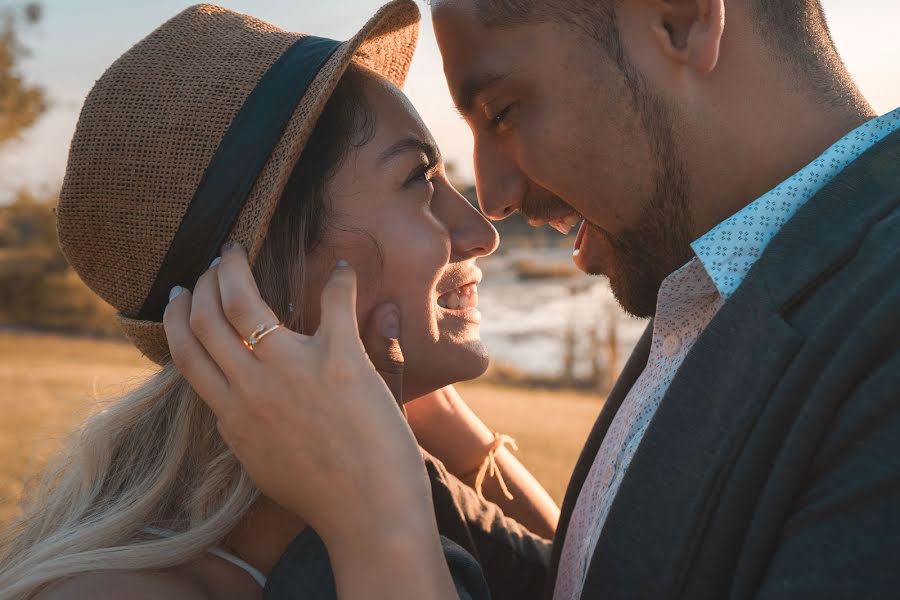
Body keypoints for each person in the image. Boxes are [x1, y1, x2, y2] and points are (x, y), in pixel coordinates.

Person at [168, 0, 900, 599]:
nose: (494, 197)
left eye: (505, 110)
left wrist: (375, 526)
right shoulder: (712, 284)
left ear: (680, 19)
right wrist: (386, 449)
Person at [0, 3, 558, 599]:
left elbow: (570, 579)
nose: (482, 233)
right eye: (418, 181)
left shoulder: (373, 478)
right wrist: (376, 527)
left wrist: (430, 417)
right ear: (261, 275)